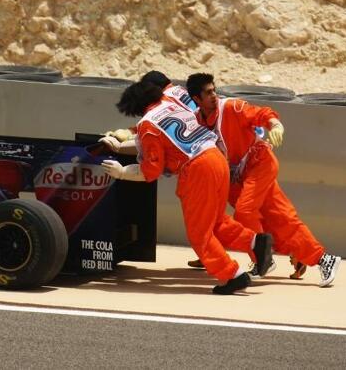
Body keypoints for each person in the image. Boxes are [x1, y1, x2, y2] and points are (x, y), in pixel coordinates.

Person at [101, 80, 273, 294]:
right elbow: (165, 139)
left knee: (199, 234)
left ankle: (232, 275)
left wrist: (122, 172)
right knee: (216, 221)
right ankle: (255, 241)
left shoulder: (146, 125)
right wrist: (121, 145)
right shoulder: (172, 105)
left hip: (197, 169)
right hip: (217, 158)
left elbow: (151, 171)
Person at [185, 72, 341, 287]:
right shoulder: (195, 121)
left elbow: (260, 113)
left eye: (214, 90)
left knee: (244, 211)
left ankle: (262, 260)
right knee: (282, 218)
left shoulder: (231, 107)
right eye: (208, 93)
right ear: (196, 100)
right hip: (237, 176)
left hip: (260, 164)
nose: (214, 95)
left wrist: (275, 124)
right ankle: (323, 259)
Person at [101, 71, 194, 152]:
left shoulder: (165, 99)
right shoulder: (181, 90)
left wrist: (123, 142)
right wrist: (129, 131)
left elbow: (156, 127)